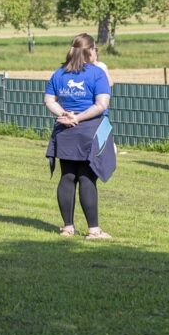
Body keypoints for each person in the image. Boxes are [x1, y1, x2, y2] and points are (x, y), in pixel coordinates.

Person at [44, 33, 114, 239]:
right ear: (91, 50)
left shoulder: (59, 73)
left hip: (65, 130)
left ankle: (67, 228)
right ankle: (93, 230)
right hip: (89, 131)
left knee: (67, 176)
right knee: (87, 177)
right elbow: (101, 104)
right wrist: (79, 117)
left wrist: (64, 115)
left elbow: (49, 100)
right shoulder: (97, 73)